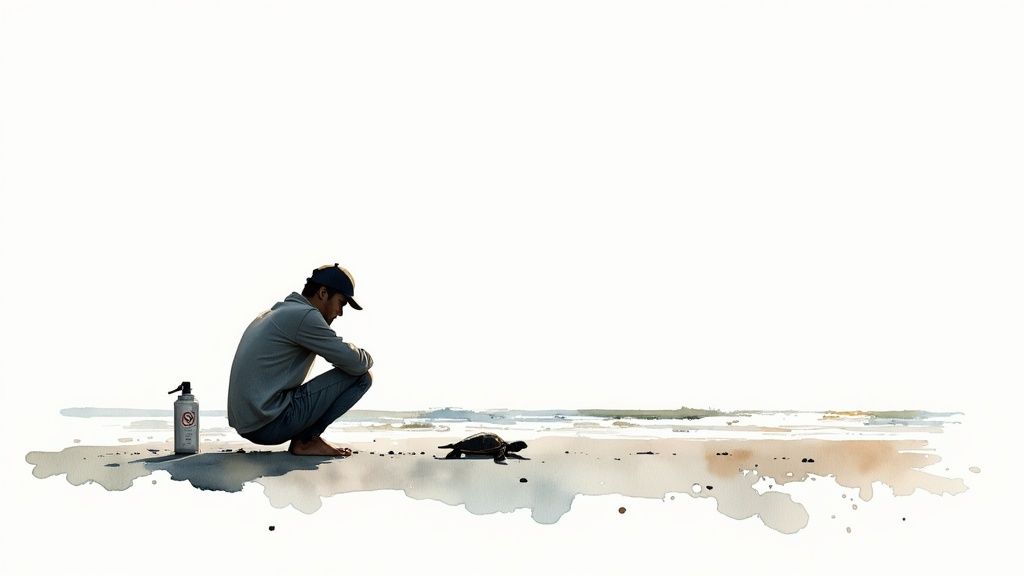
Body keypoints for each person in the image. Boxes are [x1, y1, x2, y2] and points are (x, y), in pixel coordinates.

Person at [228, 263, 373, 457]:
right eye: (341, 303)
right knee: (363, 377)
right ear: (323, 293)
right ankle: (307, 440)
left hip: (249, 423)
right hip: (269, 422)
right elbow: (356, 363)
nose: (340, 313)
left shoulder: (280, 311)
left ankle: (306, 439)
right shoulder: (306, 316)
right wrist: (366, 356)